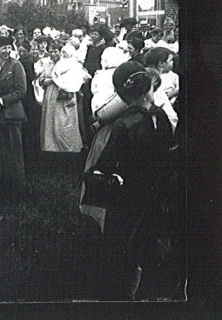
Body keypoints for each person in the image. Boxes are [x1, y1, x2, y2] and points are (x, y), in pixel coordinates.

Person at [92, 61, 178, 300]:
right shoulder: (160, 116)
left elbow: (107, 165)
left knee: (123, 244)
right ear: (147, 90)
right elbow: (169, 153)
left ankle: (123, 293)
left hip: (128, 194)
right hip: (157, 191)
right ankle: (152, 290)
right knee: (152, 240)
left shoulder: (123, 124)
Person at [0, 35, 27, 202]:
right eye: (3, 48)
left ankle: (18, 190)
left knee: (14, 152)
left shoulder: (16, 65)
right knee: (2, 153)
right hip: (0, 115)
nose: (6, 51)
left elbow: (21, 91)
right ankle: (4, 187)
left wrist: (2, 101)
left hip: (12, 114)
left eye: (8, 47)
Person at [37, 43, 87, 157]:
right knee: (50, 123)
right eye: (51, 51)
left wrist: (55, 80)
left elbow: (76, 79)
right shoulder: (48, 64)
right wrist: (53, 80)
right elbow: (41, 80)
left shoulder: (68, 64)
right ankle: (51, 149)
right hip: (50, 95)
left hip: (64, 96)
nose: (53, 54)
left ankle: (68, 151)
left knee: (64, 123)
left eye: (56, 51)